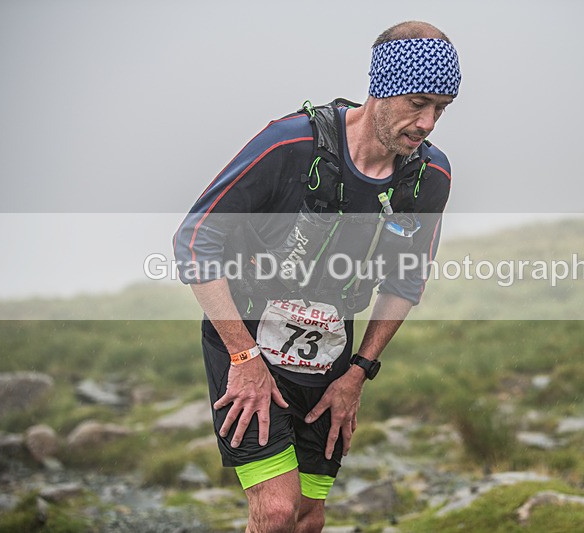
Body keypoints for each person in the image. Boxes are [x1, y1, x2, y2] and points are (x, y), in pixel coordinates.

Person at [173, 20, 461, 533]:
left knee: (307, 517)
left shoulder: (429, 177)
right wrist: (243, 357)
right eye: (418, 102)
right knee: (277, 509)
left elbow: (405, 282)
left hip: (331, 351)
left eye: (441, 108)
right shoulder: (289, 144)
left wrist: (358, 373)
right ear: (382, 88)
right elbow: (195, 241)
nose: (428, 122)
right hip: (246, 337)